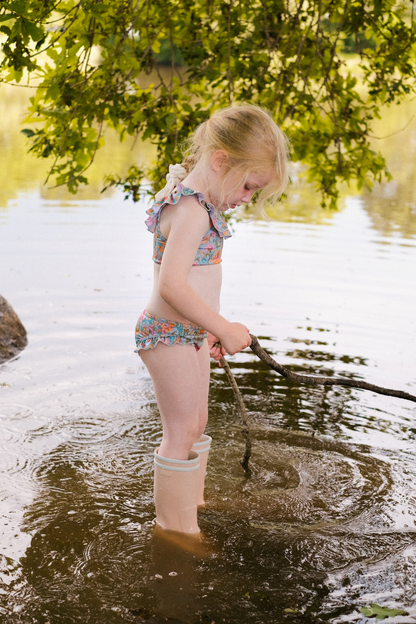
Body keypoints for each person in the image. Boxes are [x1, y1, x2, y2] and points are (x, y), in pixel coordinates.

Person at [136, 104, 289, 535]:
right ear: (221, 160)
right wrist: (223, 327)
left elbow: (196, 285)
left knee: (196, 423)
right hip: (167, 334)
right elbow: (171, 286)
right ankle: (174, 529)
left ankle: (190, 504)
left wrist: (208, 328)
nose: (245, 198)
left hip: (189, 332)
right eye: (247, 186)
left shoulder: (199, 203)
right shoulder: (192, 211)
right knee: (181, 429)